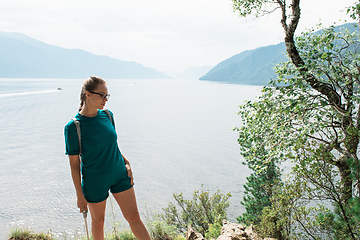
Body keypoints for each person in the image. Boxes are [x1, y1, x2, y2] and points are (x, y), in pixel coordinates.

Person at [64, 76, 151, 240]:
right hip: (94, 181)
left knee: (134, 217)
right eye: (102, 95)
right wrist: (79, 195)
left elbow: (112, 144)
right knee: (98, 222)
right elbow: (74, 164)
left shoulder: (108, 115)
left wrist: (126, 162)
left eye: (107, 96)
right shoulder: (73, 127)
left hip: (119, 174)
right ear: (88, 95)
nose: (105, 100)